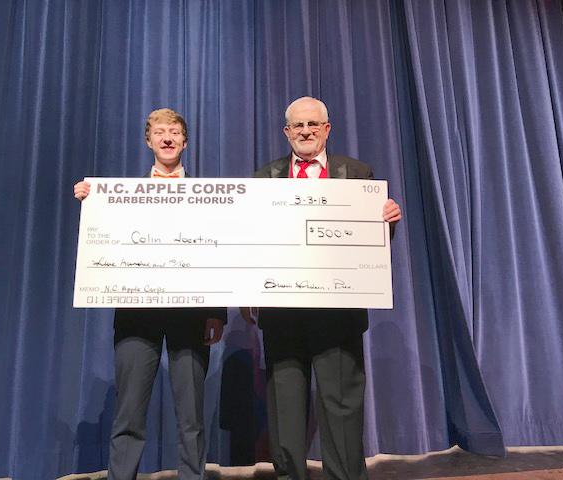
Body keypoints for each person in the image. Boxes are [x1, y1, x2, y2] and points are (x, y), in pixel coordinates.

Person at [241, 97, 401, 480]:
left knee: (342, 408)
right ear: (287, 132)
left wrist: (387, 223)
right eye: (298, 125)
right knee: (286, 410)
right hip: (283, 314)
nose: (306, 131)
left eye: (313, 124)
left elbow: (369, 239)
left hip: (338, 315)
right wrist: (248, 287)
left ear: (327, 129)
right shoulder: (264, 179)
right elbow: (250, 239)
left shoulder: (357, 174)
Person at [74, 108, 226, 480]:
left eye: (174, 131)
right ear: (149, 141)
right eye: (159, 132)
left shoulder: (212, 198)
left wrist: (216, 312)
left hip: (190, 314)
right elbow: (105, 240)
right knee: (128, 414)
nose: (167, 138)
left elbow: (219, 252)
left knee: (191, 416)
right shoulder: (119, 197)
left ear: (184, 141)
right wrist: (92, 202)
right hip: (137, 317)